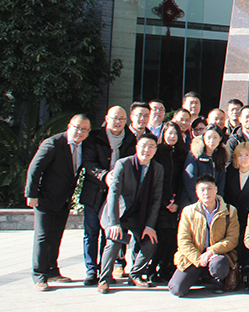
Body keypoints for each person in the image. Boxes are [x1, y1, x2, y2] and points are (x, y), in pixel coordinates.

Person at [26, 114, 91, 290]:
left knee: (56, 236)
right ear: (69, 126)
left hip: (64, 199)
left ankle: (52, 271)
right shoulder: (53, 143)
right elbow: (35, 168)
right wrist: (31, 194)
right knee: (43, 236)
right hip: (45, 198)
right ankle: (39, 275)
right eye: (77, 128)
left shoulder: (83, 146)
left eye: (85, 129)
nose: (80, 132)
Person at [97, 133, 165, 293]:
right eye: (143, 146)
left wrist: (149, 225)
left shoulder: (157, 169)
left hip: (138, 214)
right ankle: (104, 279)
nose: (147, 150)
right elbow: (113, 194)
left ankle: (136, 274)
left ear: (155, 150)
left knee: (150, 242)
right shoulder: (123, 164)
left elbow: (156, 199)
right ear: (136, 147)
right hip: (117, 212)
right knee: (114, 241)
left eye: (151, 147)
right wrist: (114, 223)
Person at [80, 105, 136, 286]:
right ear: (107, 118)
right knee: (91, 233)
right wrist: (104, 175)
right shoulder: (94, 137)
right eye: (115, 118)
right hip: (94, 192)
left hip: (116, 195)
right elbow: (88, 163)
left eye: (122, 119)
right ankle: (91, 270)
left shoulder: (130, 138)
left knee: (110, 234)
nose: (118, 122)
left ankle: (106, 270)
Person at [167, 174, 238, 297]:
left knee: (219, 264)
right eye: (202, 189)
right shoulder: (188, 211)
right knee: (176, 289)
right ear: (196, 192)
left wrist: (211, 251)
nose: (206, 193)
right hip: (195, 256)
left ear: (216, 189)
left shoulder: (229, 210)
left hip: (216, 255)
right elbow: (183, 240)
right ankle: (199, 275)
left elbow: (232, 239)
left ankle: (217, 280)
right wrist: (198, 258)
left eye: (209, 189)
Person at [152, 123, 188, 282]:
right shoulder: (157, 152)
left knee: (173, 239)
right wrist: (165, 202)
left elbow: (182, 181)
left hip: (176, 203)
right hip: (160, 203)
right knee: (161, 238)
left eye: (175, 134)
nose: (172, 136)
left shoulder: (182, 154)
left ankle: (166, 269)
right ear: (163, 133)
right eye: (169, 133)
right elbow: (156, 181)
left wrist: (177, 202)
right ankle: (152, 269)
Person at [224, 141, 249, 272]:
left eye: (247, 155)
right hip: (232, 215)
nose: (243, 159)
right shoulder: (230, 172)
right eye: (240, 155)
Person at [181, 125, 229, 205]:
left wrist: (217, 202)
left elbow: (221, 184)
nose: (212, 141)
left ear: (220, 138)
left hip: (213, 204)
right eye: (208, 137)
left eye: (215, 137)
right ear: (203, 138)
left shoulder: (221, 156)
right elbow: (190, 182)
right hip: (193, 202)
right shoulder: (195, 155)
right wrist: (201, 204)